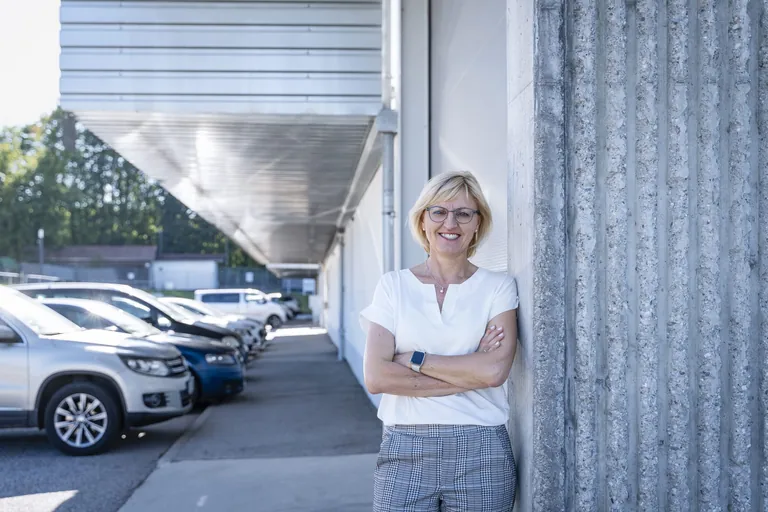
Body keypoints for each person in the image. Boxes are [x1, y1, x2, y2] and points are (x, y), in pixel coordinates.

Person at [360, 170, 519, 512]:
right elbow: (377, 378)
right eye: (439, 211)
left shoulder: (498, 287)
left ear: (478, 224)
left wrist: (415, 359)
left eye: (464, 213)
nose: (451, 222)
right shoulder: (393, 286)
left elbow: (493, 373)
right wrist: (468, 374)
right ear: (423, 219)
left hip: (482, 450)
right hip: (406, 447)